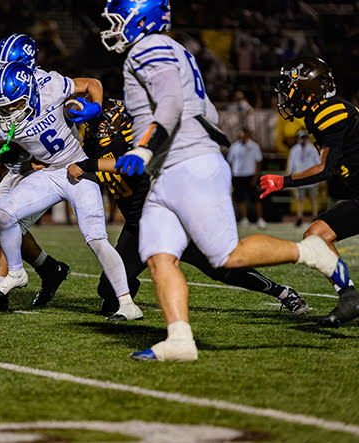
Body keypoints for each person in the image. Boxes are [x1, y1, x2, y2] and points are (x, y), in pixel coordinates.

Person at [99, 0, 350, 361]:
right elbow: (209, 113)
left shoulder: (148, 47)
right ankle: (180, 340)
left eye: (118, 19)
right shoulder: (176, 50)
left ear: (140, 18)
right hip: (169, 169)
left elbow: (170, 102)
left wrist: (144, 148)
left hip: (185, 163)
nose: (112, 27)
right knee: (158, 255)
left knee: (226, 256)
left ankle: (309, 252)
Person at [70, 98, 308, 315]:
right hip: (137, 228)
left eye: (98, 125)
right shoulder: (96, 149)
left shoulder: (135, 140)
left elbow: (124, 164)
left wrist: (88, 165)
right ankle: (127, 298)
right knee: (108, 288)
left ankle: (282, 292)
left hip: (169, 220)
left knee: (222, 267)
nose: (92, 131)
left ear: (116, 123)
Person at [0, 61, 143, 322]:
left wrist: (94, 106)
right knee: (2, 214)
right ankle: (16, 272)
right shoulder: (2, 119)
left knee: (96, 238)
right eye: (4, 106)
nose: (8, 111)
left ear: (29, 94)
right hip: (51, 172)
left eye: (14, 104)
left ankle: (127, 304)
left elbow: (92, 84)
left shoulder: (52, 89)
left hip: (79, 170)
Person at [0, 34, 70, 312]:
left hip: (41, 160)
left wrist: (50, 154)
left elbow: (68, 108)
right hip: (10, 152)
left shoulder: (45, 84)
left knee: (8, 218)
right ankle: (49, 269)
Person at [261, 56, 359, 328]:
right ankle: (349, 298)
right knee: (317, 235)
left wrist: (283, 181)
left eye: (291, 89)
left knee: (317, 234)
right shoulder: (323, 112)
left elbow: (325, 169)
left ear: (308, 90)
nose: (287, 96)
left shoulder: (330, 111)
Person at [226, 127, 267, 228]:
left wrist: (255, 176)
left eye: (244, 135)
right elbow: (230, 162)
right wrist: (230, 175)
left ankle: (260, 219)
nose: (243, 137)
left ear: (248, 135)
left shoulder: (254, 146)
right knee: (240, 198)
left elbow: (258, 162)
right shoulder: (234, 146)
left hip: (250, 175)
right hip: (238, 175)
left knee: (256, 198)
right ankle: (244, 219)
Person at [286, 130, 320, 227]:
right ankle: (299, 217)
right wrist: (290, 176)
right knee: (300, 199)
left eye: (304, 138)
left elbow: (318, 162)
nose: (303, 140)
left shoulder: (312, 149)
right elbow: (291, 163)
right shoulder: (294, 150)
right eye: (301, 138)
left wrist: (318, 176)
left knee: (313, 198)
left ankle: (315, 216)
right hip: (299, 177)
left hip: (311, 177)